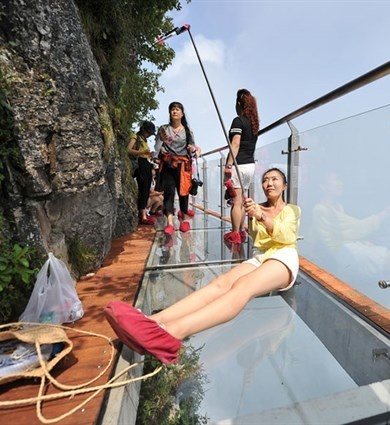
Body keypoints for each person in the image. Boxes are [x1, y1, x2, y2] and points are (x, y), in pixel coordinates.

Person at [104, 168, 301, 364]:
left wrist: (261, 216)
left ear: (284, 185)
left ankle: (171, 333)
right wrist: (251, 214)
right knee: (220, 283)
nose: (269, 183)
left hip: (284, 256)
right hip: (261, 257)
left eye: (275, 179)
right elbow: (258, 239)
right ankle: (152, 322)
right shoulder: (256, 207)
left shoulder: (292, 210)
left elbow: (287, 237)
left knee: (243, 286)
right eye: (265, 180)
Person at [154, 101, 197, 235]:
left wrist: (192, 149)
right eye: (172, 109)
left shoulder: (187, 130)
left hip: (183, 166)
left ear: (182, 113)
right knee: (169, 192)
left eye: (178, 109)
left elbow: (192, 148)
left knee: (184, 192)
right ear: (169, 112)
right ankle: (170, 222)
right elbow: (157, 148)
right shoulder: (163, 129)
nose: (175, 111)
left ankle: (184, 218)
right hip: (168, 164)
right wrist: (161, 140)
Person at [224, 89, 260, 245]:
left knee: (236, 201)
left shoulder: (238, 121)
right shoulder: (253, 124)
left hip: (239, 165)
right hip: (250, 165)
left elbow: (235, 144)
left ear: (239, 103)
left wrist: (228, 164)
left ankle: (235, 233)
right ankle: (241, 230)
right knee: (242, 199)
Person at [127, 120, 157, 225]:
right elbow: (128, 150)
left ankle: (144, 213)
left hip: (146, 163)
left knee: (146, 188)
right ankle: (142, 215)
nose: (149, 135)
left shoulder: (144, 140)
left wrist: (149, 155)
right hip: (140, 163)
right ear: (143, 129)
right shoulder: (135, 137)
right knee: (143, 188)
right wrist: (142, 152)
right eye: (148, 132)